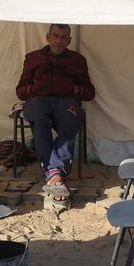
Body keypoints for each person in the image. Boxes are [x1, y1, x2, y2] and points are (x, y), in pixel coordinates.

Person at [15, 23, 96, 202]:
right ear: (47, 37)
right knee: (39, 120)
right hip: (38, 101)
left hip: (66, 101)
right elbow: (20, 90)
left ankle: (53, 172)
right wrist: (34, 89)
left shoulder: (77, 60)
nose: (58, 41)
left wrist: (73, 89)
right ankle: (56, 173)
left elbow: (89, 92)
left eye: (63, 37)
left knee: (69, 120)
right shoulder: (33, 58)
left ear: (69, 40)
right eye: (55, 36)